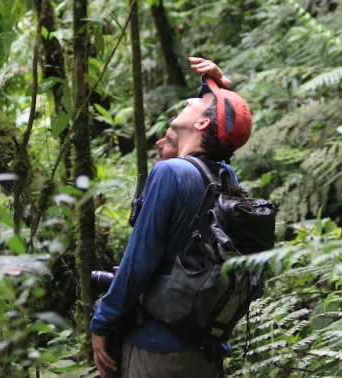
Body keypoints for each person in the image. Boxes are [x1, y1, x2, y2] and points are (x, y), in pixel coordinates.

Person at [91, 75, 253, 378]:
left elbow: (139, 261)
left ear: (203, 124)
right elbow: (224, 128)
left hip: (157, 349)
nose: (190, 100)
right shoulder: (226, 177)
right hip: (204, 348)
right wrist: (217, 87)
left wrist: (102, 320)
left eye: (199, 101)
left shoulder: (169, 173)